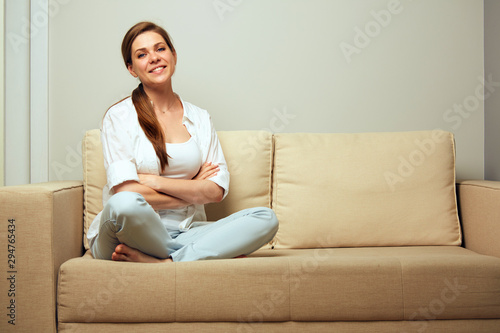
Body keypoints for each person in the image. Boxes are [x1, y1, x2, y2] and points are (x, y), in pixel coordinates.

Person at [86, 21, 279, 263]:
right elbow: (127, 191)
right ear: (131, 69)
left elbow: (215, 191)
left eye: (160, 49)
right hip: (123, 236)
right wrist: (192, 190)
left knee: (265, 218)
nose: (154, 58)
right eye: (142, 54)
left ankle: (167, 261)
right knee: (125, 203)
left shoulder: (199, 117)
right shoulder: (119, 116)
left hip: (185, 232)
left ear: (173, 55)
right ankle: (192, 256)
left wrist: (154, 181)